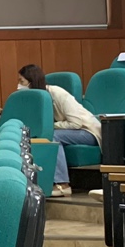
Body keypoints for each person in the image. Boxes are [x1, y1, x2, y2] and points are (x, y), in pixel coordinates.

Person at [12, 65, 101, 198]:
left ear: (32, 81)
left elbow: (76, 123)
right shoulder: (35, 100)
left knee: (52, 136)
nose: (19, 85)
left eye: (22, 81)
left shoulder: (57, 93)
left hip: (88, 131)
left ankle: (62, 184)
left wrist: (50, 127)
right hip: (68, 131)